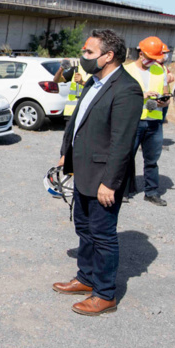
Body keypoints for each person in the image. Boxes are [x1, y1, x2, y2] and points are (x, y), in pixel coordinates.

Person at [53, 29, 143, 316]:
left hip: (104, 177)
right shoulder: (94, 81)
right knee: (84, 228)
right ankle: (86, 278)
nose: (84, 57)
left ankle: (104, 294)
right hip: (83, 171)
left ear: (109, 56)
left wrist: (110, 183)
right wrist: (66, 153)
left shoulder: (126, 89)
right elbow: (78, 123)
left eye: (89, 52)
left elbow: (122, 142)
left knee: (103, 235)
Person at [124, 37, 170, 206]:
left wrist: (164, 101)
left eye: (155, 58)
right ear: (141, 53)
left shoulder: (159, 70)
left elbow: (166, 94)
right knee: (126, 157)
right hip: (133, 121)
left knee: (152, 160)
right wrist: (143, 95)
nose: (152, 61)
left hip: (154, 122)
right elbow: (121, 96)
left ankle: (151, 192)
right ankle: (123, 191)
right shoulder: (127, 70)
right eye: (150, 57)